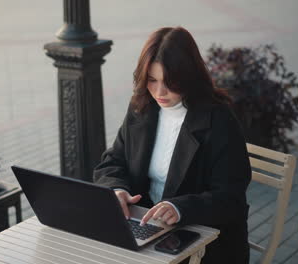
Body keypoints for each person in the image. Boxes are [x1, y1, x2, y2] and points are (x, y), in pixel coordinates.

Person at [93, 27, 251, 263]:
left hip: (204, 242)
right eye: (152, 80)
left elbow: (231, 198)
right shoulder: (142, 107)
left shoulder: (218, 119)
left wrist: (180, 208)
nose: (159, 92)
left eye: (170, 82)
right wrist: (118, 190)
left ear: (189, 77)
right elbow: (112, 162)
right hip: (149, 230)